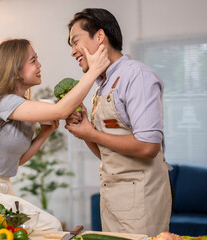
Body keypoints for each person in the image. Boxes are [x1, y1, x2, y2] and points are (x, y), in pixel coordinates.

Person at [0, 38, 109, 231]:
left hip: (0, 186)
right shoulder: (5, 102)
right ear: (15, 69)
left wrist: (44, 134)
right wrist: (93, 72)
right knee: (50, 227)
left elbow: (15, 161)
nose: (39, 65)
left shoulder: (21, 104)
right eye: (33, 60)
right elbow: (60, 111)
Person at [65, 8, 172, 236]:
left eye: (75, 42)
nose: (73, 52)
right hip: (113, 201)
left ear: (100, 37)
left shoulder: (137, 76)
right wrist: (84, 131)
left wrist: (91, 134)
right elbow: (108, 153)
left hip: (141, 201)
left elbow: (148, 146)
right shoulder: (102, 86)